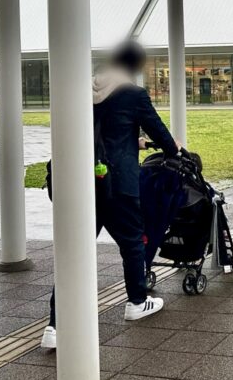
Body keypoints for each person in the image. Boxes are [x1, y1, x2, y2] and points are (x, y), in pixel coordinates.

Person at [42, 41, 180, 350]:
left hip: (79, 182)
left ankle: (54, 327)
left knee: (72, 254)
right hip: (118, 185)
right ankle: (136, 302)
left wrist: (135, 142)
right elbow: (161, 134)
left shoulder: (82, 89)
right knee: (133, 243)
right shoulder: (132, 94)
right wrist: (173, 148)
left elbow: (97, 133)